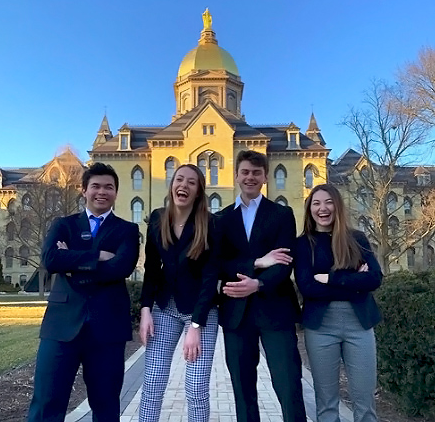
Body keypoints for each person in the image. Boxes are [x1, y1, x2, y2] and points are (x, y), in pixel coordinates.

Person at [27, 162, 140, 422]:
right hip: (61, 325)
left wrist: (72, 261)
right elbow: (51, 260)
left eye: (109, 187)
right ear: (84, 190)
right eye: (96, 186)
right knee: (46, 403)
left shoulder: (127, 230)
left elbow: (119, 268)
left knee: (106, 406)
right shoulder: (63, 225)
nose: (102, 192)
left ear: (116, 193)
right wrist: (97, 256)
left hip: (107, 329)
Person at [216, 149, 306, 422]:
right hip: (236, 315)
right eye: (245, 172)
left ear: (265, 176)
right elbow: (218, 265)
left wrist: (257, 284)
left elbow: (284, 261)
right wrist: (256, 261)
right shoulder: (220, 219)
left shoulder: (281, 214)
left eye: (256, 172)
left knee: (288, 385)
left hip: (275, 310)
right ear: (236, 175)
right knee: (243, 392)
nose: (250, 177)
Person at [295, 184, 382, 422]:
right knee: (327, 402)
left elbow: (374, 278)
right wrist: (355, 282)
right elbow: (307, 287)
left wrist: (331, 278)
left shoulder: (357, 239)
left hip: (360, 326)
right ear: (309, 209)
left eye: (328, 202)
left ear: (337, 205)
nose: (322, 208)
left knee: (365, 402)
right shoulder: (303, 244)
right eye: (316, 203)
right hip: (321, 328)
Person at [139, 164, 218, 422]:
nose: (183, 185)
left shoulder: (210, 224)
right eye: (179, 179)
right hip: (164, 307)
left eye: (191, 182)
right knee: (152, 385)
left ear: (198, 192)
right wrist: (145, 310)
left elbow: (210, 278)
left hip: (200, 310)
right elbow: (151, 269)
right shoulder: (158, 219)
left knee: (196, 390)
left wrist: (196, 325)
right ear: (172, 185)